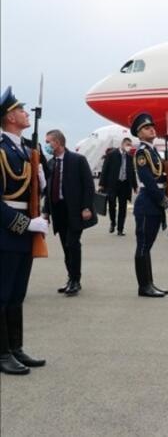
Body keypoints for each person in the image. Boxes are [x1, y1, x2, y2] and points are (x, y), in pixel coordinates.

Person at [0, 86, 48, 375]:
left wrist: (41, 177)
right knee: (2, 294)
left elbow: (32, 192)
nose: (25, 113)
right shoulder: (1, 151)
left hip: (25, 233)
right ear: (9, 117)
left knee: (17, 294)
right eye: (20, 110)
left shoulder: (27, 150)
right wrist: (25, 224)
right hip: (6, 233)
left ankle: (15, 348)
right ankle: (2, 353)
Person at [41, 130, 95, 296]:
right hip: (59, 211)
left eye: (48, 142)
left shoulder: (78, 160)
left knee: (73, 244)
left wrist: (86, 207)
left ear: (57, 142)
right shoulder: (51, 163)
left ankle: (75, 281)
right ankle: (71, 278)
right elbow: (48, 189)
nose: (46, 145)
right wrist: (46, 211)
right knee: (66, 246)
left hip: (75, 210)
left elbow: (88, 185)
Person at [131, 113, 168, 298]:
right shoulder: (142, 153)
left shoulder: (153, 152)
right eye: (146, 128)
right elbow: (149, 182)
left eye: (152, 126)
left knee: (147, 246)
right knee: (143, 246)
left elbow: (160, 177)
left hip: (154, 203)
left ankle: (149, 283)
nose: (151, 129)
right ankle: (144, 287)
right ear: (139, 134)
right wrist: (166, 202)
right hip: (147, 203)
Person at [99, 137, 136, 236]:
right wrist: (102, 184)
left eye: (130, 145)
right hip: (113, 184)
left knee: (123, 207)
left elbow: (132, 172)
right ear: (122, 144)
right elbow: (105, 169)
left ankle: (120, 229)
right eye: (127, 144)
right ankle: (113, 222)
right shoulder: (111, 154)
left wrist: (135, 186)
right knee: (112, 205)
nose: (129, 147)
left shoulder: (129, 157)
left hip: (124, 184)